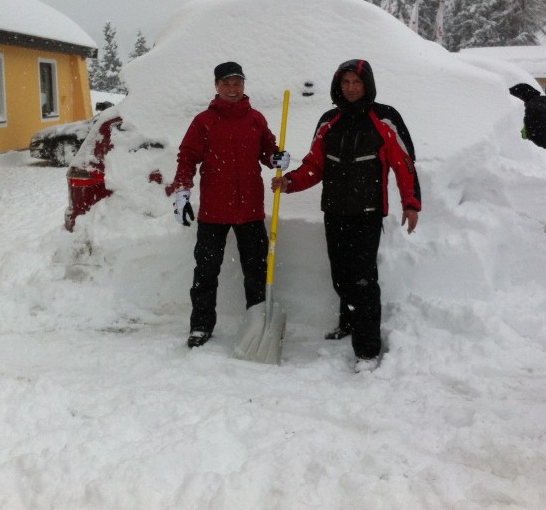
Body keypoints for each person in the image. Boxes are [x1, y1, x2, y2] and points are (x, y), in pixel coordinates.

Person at [272, 59, 421, 371]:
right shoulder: (329, 121)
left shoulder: (385, 118)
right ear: (338, 86)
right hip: (335, 212)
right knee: (341, 276)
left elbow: (403, 163)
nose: (351, 88)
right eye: (346, 83)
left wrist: (411, 202)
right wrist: (289, 182)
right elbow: (315, 165)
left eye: (357, 82)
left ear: (367, 84)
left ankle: (367, 350)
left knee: (364, 279)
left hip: (367, 213)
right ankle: (350, 323)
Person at [166, 61, 290, 349]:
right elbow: (187, 157)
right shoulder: (203, 122)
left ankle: (256, 324)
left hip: (250, 210)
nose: (232, 89)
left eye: (237, 83)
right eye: (226, 83)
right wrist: (182, 192)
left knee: (256, 272)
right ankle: (200, 325)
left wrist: (277, 159)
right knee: (206, 272)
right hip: (214, 211)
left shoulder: (256, 119)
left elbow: (268, 151)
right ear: (216, 86)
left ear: (244, 86)